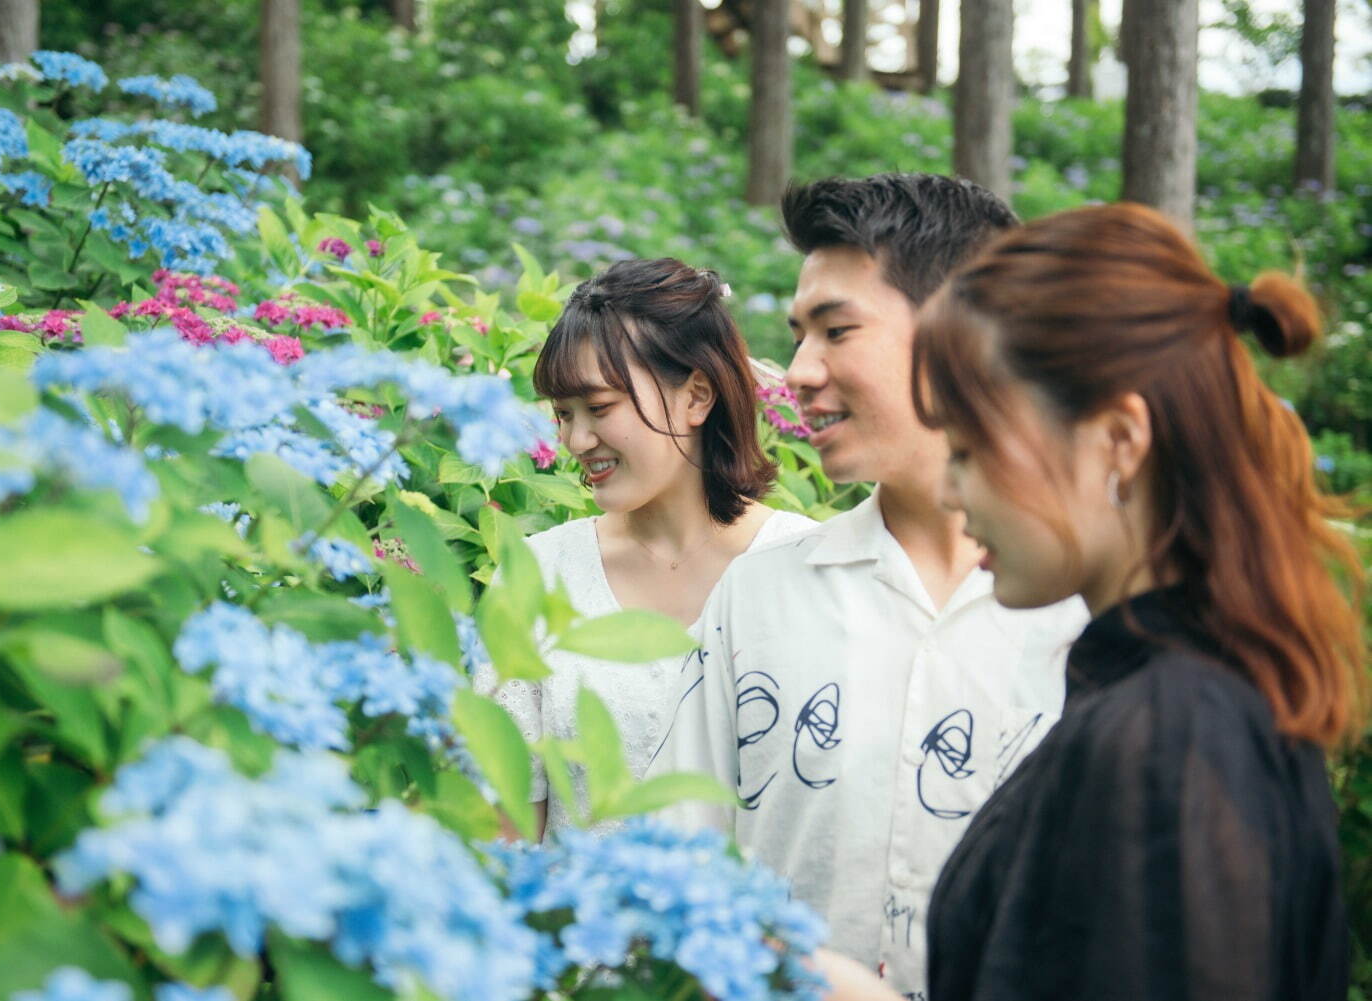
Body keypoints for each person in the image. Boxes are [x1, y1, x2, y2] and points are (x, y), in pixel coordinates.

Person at [894, 202, 1362, 1000]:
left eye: (968, 450)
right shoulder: (1187, 691)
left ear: (1118, 439)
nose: (947, 489)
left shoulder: (1169, 739)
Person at [646, 174, 1088, 998]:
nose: (799, 370)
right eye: (798, 334)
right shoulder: (759, 598)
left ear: (970, 333)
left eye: (837, 330)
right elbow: (678, 860)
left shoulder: (1091, 612)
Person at [477, 257, 816, 842]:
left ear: (697, 397)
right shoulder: (538, 574)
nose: (576, 441)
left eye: (600, 408)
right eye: (563, 414)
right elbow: (506, 840)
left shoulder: (805, 568)